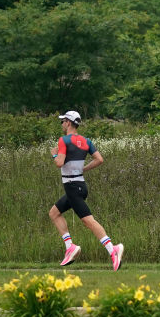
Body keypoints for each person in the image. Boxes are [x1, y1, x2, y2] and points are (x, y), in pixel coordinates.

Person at [48, 111, 124, 271]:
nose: (62, 124)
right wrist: (84, 169)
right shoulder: (86, 141)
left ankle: (113, 249)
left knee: (88, 221)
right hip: (80, 187)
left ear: (68, 123)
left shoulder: (64, 140)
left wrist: (54, 154)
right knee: (54, 213)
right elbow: (99, 159)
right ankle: (70, 246)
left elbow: (59, 163)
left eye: (63, 122)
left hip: (72, 188)